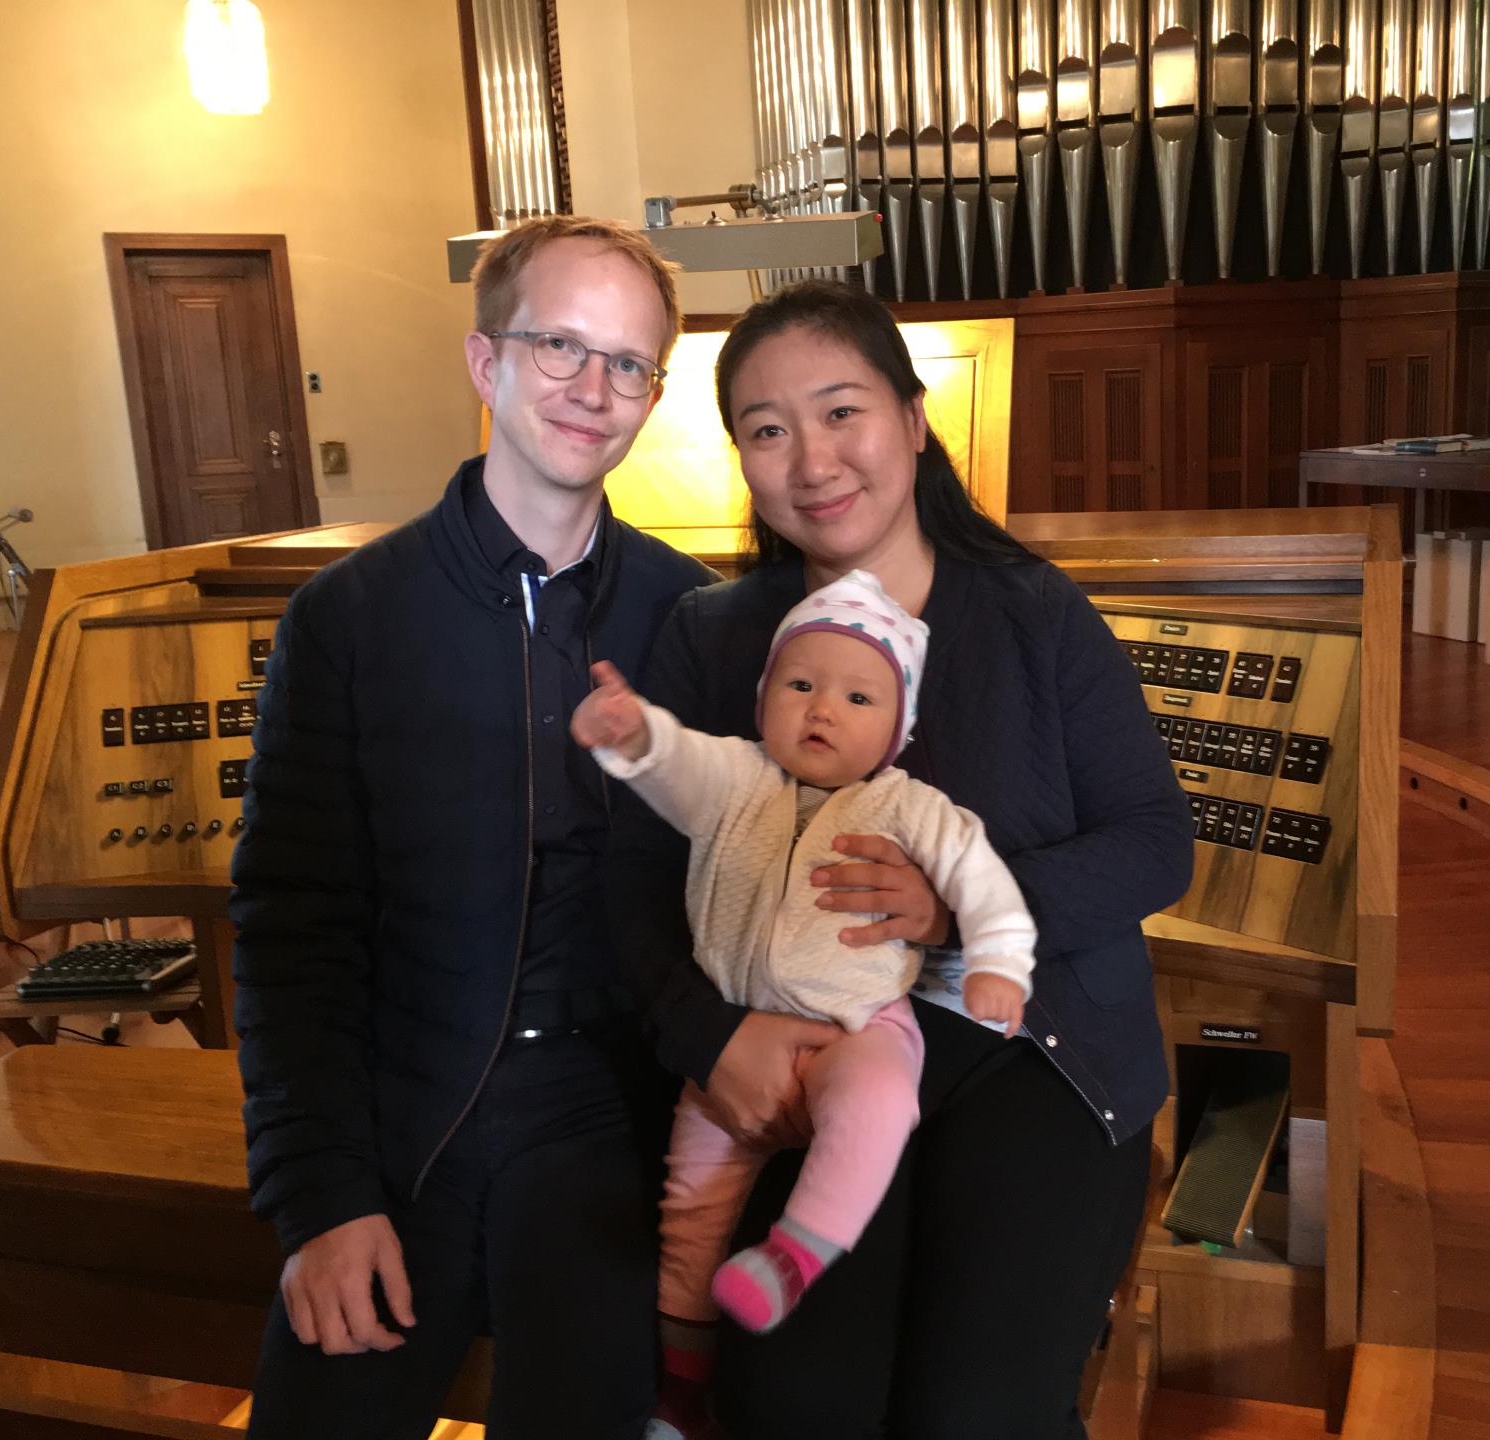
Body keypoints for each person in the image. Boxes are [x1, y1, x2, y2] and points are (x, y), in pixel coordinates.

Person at [609, 280, 1195, 1438]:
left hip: (1034, 1051)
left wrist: (958, 908)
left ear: (915, 420)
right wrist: (708, 1036)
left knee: (973, 1412)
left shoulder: (1033, 613)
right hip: (811, 1056)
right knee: (790, 1397)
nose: (812, 461)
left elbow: (1153, 841)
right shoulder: (714, 636)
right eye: (767, 430)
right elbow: (632, 883)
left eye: (842, 412)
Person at [230, 215, 715, 1440]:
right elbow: (293, 924)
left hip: (606, 1111)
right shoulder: (347, 619)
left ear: (654, 397)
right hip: (407, 1100)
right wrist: (321, 1195)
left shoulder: (691, 618)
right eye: (561, 345)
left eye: (629, 363)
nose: (593, 389)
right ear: (485, 361)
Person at [573, 569, 1036, 1434]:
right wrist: (636, 735)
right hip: (735, 1038)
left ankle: (795, 1255)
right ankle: (680, 1399)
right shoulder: (735, 777)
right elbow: (676, 764)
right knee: (689, 1218)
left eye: (858, 697)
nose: (823, 709)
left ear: (897, 727)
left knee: (879, 1104)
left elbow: (983, 883)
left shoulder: (910, 807)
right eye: (799, 685)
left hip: (859, 1028)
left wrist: (999, 964)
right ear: (763, 699)